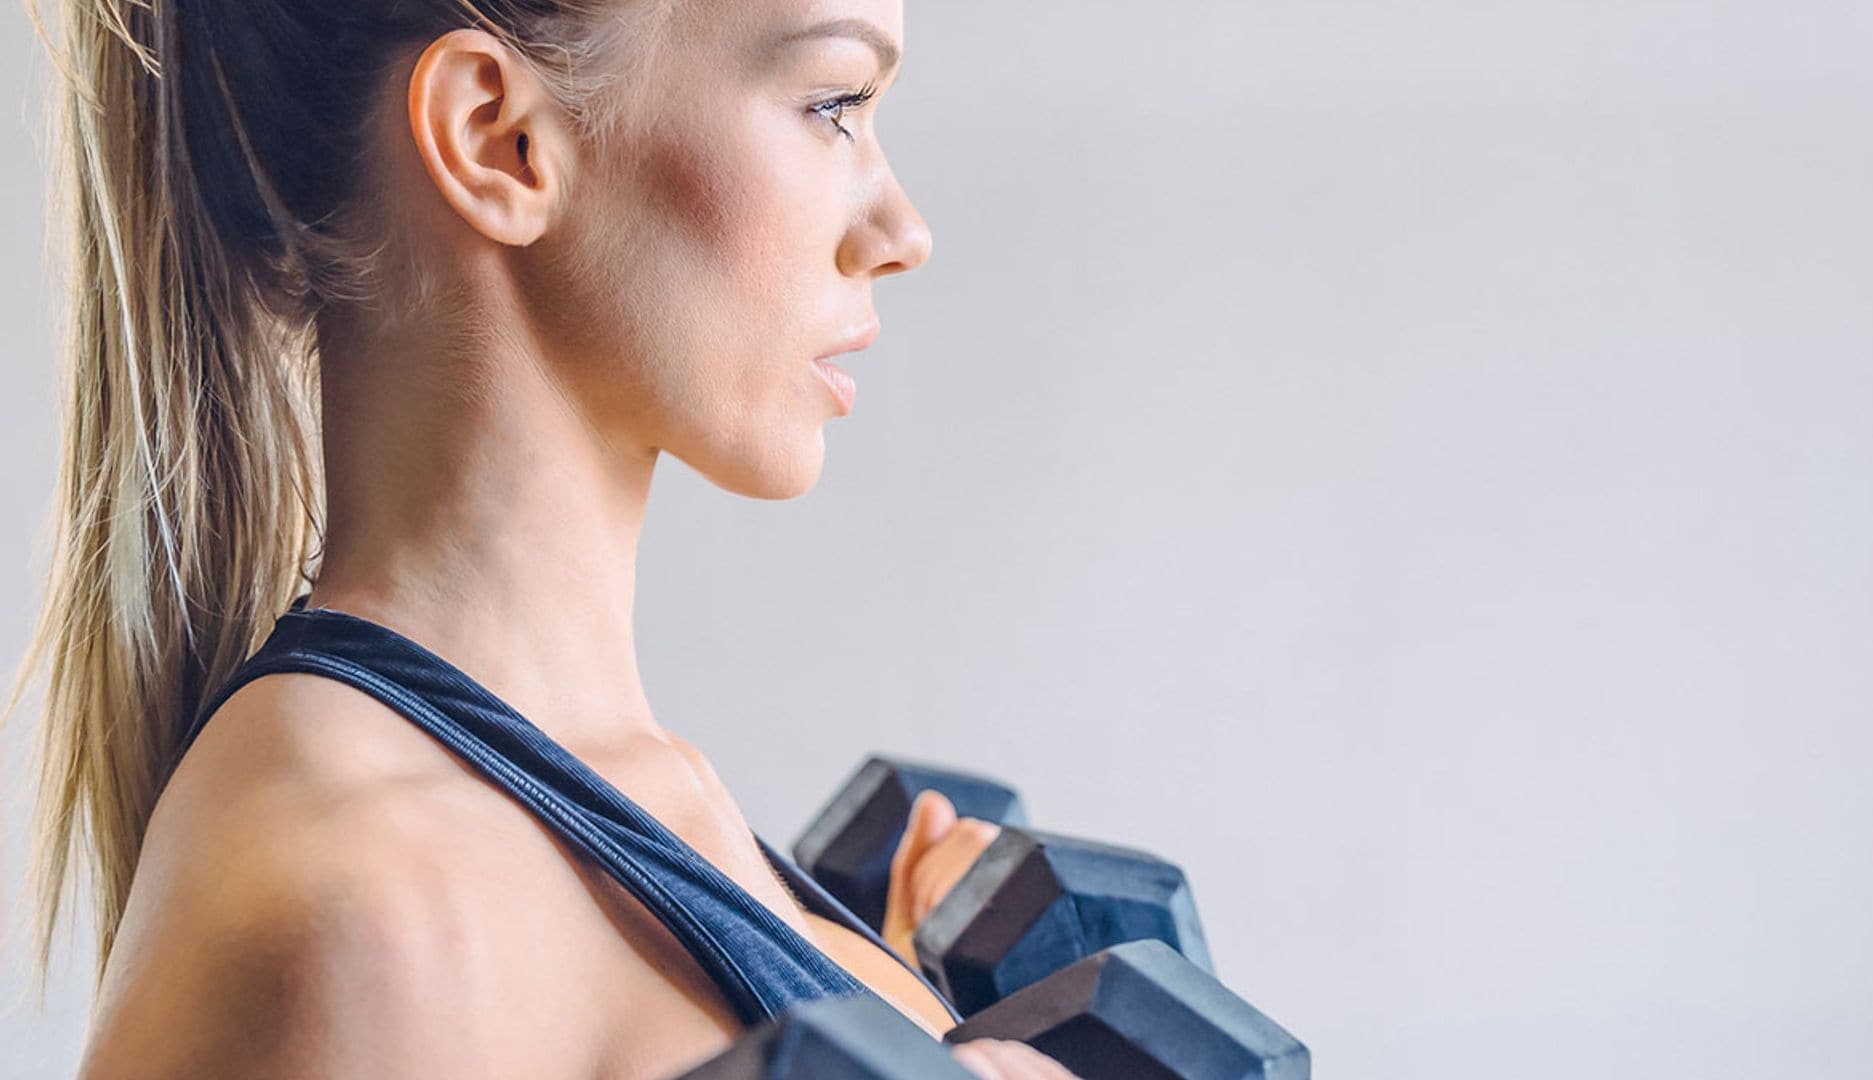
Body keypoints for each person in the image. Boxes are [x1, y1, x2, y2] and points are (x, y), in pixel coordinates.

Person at [8, 0, 1074, 1075]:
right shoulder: (376, 915)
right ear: (497, 140)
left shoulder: (634, 800)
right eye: (832, 104)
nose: (903, 233)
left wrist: (901, 1003)